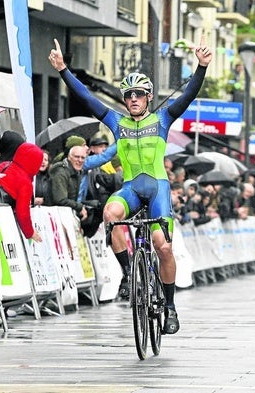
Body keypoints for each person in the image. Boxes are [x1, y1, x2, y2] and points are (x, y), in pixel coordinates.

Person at [49, 35, 212, 334]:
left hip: (159, 189)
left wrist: (200, 67)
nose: (133, 99)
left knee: (163, 248)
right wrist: (63, 71)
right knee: (110, 215)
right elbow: (86, 96)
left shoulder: (163, 118)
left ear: (149, 97)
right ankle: (129, 275)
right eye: (128, 95)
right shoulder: (116, 122)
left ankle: (171, 307)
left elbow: (187, 95)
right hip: (131, 190)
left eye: (138, 94)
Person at [0, 141, 43, 242]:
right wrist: (30, 232)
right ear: (35, 163)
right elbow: (23, 213)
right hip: (2, 220)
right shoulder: (26, 183)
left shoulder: (5, 165)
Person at [50, 144, 89, 222]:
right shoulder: (61, 172)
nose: (80, 160)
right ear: (69, 157)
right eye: (77, 157)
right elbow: (60, 200)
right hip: (54, 217)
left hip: (63, 214)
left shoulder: (76, 171)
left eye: (83, 158)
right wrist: (79, 207)